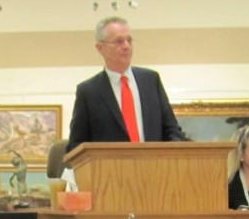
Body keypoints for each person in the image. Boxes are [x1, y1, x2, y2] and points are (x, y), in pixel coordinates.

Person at [66, 16, 183, 153]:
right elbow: (76, 144)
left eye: (129, 40)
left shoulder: (151, 80)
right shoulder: (88, 91)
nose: (126, 46)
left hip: (154, 169)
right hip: (110, 171)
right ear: (100, 48)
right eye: (119, 41)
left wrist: (176, 151)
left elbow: (171, 129)